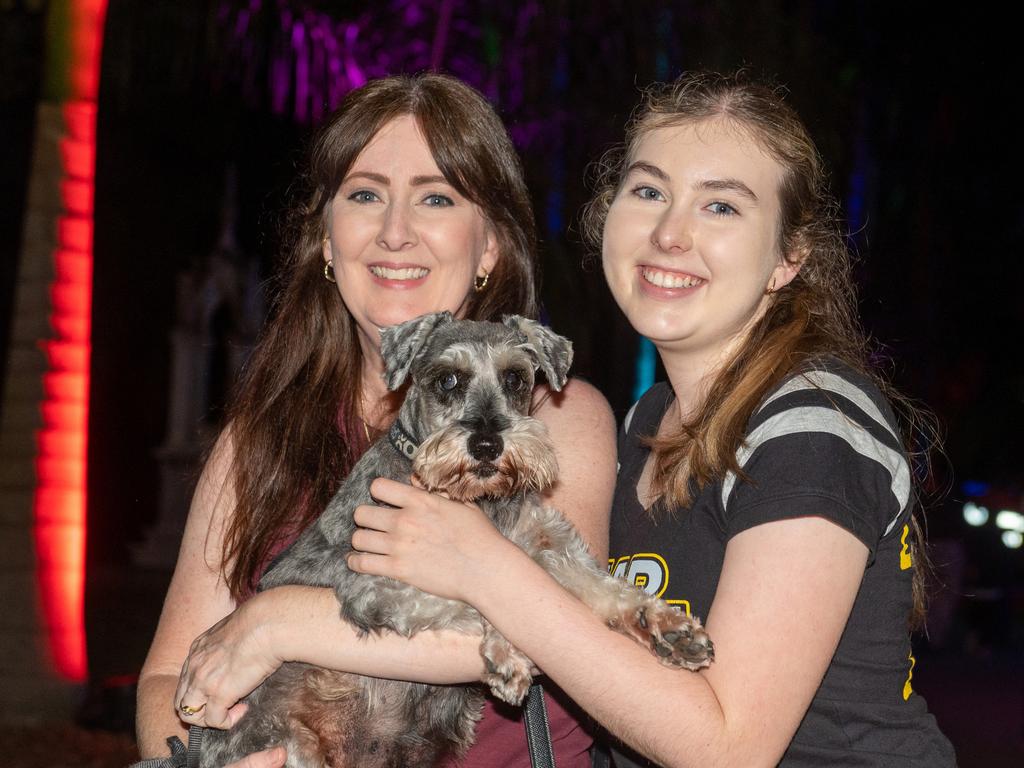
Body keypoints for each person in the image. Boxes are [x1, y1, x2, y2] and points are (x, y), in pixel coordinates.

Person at [344, 72, 957, 766]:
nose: (670, 233)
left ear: (789, 258)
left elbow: (726, 748)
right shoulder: (647, 424)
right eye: (648, 191)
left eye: (721, 207)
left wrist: (485, 569)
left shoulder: (812, 430)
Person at [137, 73, 616, 768]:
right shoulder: (259, 437)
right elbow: (164, 679)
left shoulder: (554, 416)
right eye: (365, 195)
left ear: (488, 248)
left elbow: (554, 625)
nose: (395, 233)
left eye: (435, 198)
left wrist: (276, 621)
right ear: (327, 243)